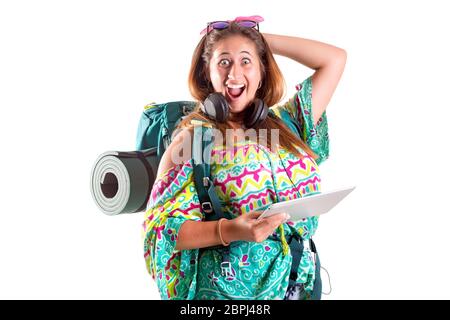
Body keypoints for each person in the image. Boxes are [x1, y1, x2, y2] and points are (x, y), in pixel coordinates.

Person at [142, 15, 346, 300]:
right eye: (224, 62)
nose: (234, 74)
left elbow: (334, 59)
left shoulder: (288, 124)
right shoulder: (192, 142)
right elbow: (160, 233)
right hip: (228, 296)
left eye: (246, 61)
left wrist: (259, 42)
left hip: (297, 287)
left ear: (262, 70)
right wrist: (231, 230)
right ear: (207, 74)